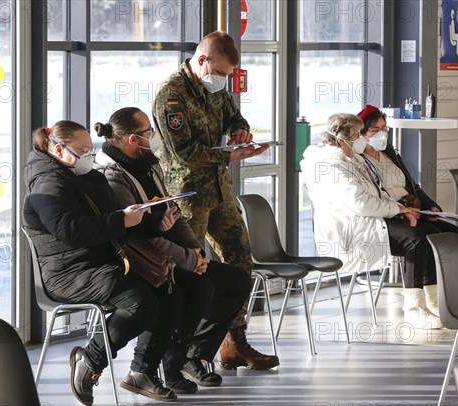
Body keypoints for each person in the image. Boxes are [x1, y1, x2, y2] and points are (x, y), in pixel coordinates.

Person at [93, 107, 252, 394]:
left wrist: (195, 250)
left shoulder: (148, 165)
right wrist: (190, 261)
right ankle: (172, 364)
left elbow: (172, 211)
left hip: (172, 254)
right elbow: (141, 238)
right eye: (147, 133)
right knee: (196, 288)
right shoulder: (112, 177)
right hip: (144, 261)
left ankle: (193, 355)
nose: (152, 137)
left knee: (237, 282)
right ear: (131, 139)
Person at [23, 120, 179, 404]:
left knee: (167, 287)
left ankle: (143, 371)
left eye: (89, 149)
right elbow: (71, 231)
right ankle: (90, 360)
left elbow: (110, 218)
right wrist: (121, 219)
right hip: (68, 272)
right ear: (58, 149)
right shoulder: (47, 183)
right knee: (139, 302)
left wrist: (149, 221)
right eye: (82, 150)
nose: (88, 156)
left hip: (100, 262)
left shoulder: (84, 176)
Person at [152, 30, 278, 370]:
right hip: (188, 195)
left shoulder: (216, 87)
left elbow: (233, 116)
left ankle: (233, 343)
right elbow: (184, 152)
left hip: (219, 190)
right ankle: (180, 354)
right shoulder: (171, 95)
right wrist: (231, 158)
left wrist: (241, 131)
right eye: (220, 72)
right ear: (203, 60)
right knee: (190, 269)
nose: (223, 79)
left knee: (240, 258)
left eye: (228, 74)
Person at [300, 113, 442, 329]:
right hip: (351, 233)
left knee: (427, 234)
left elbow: (377, 193)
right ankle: (414, 310)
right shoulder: (332, 167)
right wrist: (398, 209)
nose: (361, 139)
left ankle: (432, 304)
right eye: (358, 134)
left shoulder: (352, 160)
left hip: (369, 221)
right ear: (341, 139)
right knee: (416, 239)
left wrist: (402, 211)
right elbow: (361, 204)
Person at [357, 104, 458, 316]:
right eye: (375, 130)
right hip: (391, 215)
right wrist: (401, 211)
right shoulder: (360, 160)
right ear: (361, 134)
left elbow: (413, 185)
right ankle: (417, 304)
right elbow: (373, 197)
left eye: (384, 128)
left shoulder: (389, 153)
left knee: (454, 234)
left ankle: (443, 296)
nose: (382, 134)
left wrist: (430, 206)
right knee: (425, 237)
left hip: (412, 209)